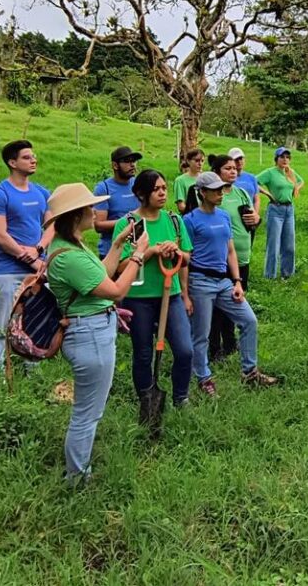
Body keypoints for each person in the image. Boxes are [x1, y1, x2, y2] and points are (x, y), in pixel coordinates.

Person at [43, 183, 151, 485]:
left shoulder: (73, 247)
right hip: (89, 335)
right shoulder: (69, 257)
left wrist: (117, 245)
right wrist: (138, 256)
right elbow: (115, 290)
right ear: (76, 215)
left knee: (89, 409)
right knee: (87, 413)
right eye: (89, 207)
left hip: (92, 330)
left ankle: (78, 470)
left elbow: (100, 275)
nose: (95, 212)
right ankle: (77, 477)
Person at [183, 172, 278, 396]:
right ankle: (203, 378)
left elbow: (230, 251)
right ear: (202, 193)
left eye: (221, 189)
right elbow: (184, 259)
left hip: (224, 281)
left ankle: (250, 372)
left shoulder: (224, 216)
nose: (220, 193)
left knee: (249, 320)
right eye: (215, 190)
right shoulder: (190, 220)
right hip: (200, 281)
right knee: (201, 334)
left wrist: (237, 281)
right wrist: (185, 294)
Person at [111, 170, 194, 425]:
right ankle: (147, 400)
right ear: (141, 194)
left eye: (164, 188)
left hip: (171, 295)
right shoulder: (128, 224)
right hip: (138, 298)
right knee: (143, 353)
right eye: (156, 189)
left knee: (185, 350)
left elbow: (187, 258)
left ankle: (181, 397)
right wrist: (149, 252)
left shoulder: (174, 220)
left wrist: (175, 251)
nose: (162, 193)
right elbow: (119, 266)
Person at [0, 140, 53, 369]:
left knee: (35, 321)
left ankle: (33, 369)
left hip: (37, 270)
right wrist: (32, 260)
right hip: (7, 271)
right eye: (26, 157)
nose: (33, 160)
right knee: (0, 323)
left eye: (33, 156)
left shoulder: (42, 192)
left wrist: (39, 248)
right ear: (12, 163)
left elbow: (52, 225)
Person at [206, 154, 261, 361]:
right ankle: (214, 348)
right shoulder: (215, 198)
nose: (233, 171)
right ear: (216, 172)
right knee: (218, 307)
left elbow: (252, 220)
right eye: (227, 168)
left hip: (242, 257)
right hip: (222, 259)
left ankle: (230, 343)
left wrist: (256, 219)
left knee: (235, 302)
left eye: (234, 168)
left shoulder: (241, 193)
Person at [257, 147, 304, 279]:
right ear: (276, 159)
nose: (285, 160)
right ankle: (270, 275)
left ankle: (287, 274)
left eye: (287, 157)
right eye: (282, 157)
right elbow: (254, 182)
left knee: (289, 244)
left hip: (289, 210)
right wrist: (267, 193)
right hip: (275, 209)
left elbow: (301, 181)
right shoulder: (270, 173)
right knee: (274, 244)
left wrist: (296, 189)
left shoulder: (290, 172)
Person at [93, 146, 142, 259]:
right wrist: (128, 222)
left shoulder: (138, 184)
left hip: (136, 251)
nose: (132, 165)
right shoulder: (103, 189)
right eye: (127, 161)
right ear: (115, 165)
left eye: (134, 161)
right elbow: (98, 225)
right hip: (111, 252)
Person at [173, 148, 205, 215]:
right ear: (188, 161)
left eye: (202, 161)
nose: (200, 164)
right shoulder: (180, 180)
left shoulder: (205, 178)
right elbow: (181, 206)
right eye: (197, 160)